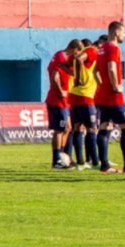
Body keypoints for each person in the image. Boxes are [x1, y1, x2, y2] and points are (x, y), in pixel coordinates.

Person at [94, 21, 125, 174]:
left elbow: (95, 71)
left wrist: (101, 85)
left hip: (102, 96)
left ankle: (104, 165)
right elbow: (111, 68)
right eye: (124, 32)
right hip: (114, 97)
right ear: (117, 32)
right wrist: (115, 86)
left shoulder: (102, 48)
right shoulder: (113, 48)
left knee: (105, 127)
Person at [46, 40, 80, 169]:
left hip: (64, 101)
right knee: (59, 130)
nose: (78, 55)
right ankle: (56, 161)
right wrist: (60, 91)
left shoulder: (61, 56)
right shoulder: (61, 56)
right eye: (78, 51)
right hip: (58, 100)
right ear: (74, 48)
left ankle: (62, 157)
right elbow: (55, 76)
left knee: (68, 128)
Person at [68, 38, 100, 169]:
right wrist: (79, 78)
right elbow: (78, 59)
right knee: (92, 129)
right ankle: (95, 161)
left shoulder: (88, 53)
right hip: (85, 96)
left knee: (78, 128)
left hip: (75, 95)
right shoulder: (93, 50)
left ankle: (81, 162)